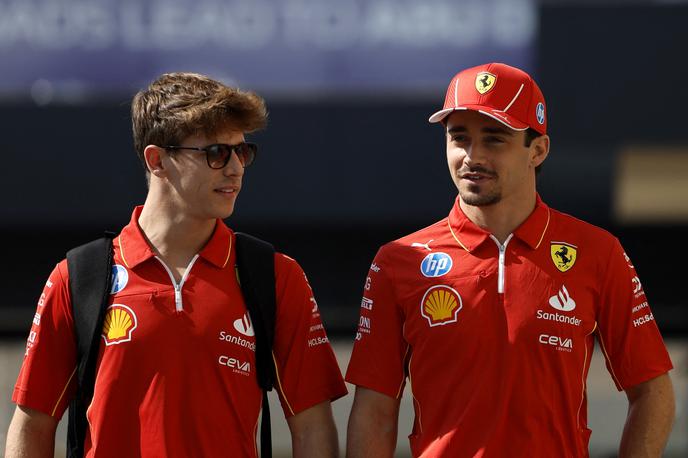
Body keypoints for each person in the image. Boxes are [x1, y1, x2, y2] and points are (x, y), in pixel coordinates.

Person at [6, 72, 347, 457]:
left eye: (243, 151)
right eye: (217, 153)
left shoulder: (275, 275)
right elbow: (32, 424)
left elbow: (313, 426)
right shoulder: (79, 277)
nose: (236, 168)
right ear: (158, 160)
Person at [345, 62, 675, 457]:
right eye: (459, 137)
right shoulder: (397, 262)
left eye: (494, 139)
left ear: (538, 150)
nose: (472, 155)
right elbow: (375, 410)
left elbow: (653, 392)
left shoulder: (598, 251)